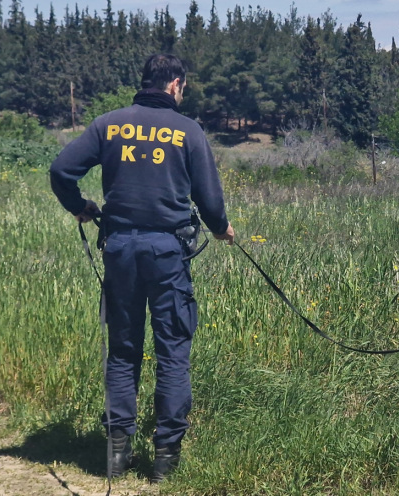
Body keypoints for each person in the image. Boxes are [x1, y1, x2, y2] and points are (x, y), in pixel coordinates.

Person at [50, 54, 235, 483]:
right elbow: (209, 199)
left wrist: (80, 208)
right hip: (167, 253)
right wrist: (221, 227)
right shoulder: (188, 131)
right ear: (174, 85)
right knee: (172, 351)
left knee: (123, 350)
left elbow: (61, 170)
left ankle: (117, 453)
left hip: (119, 250)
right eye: (183, 88)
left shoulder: (108, 124)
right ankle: (165, 462)